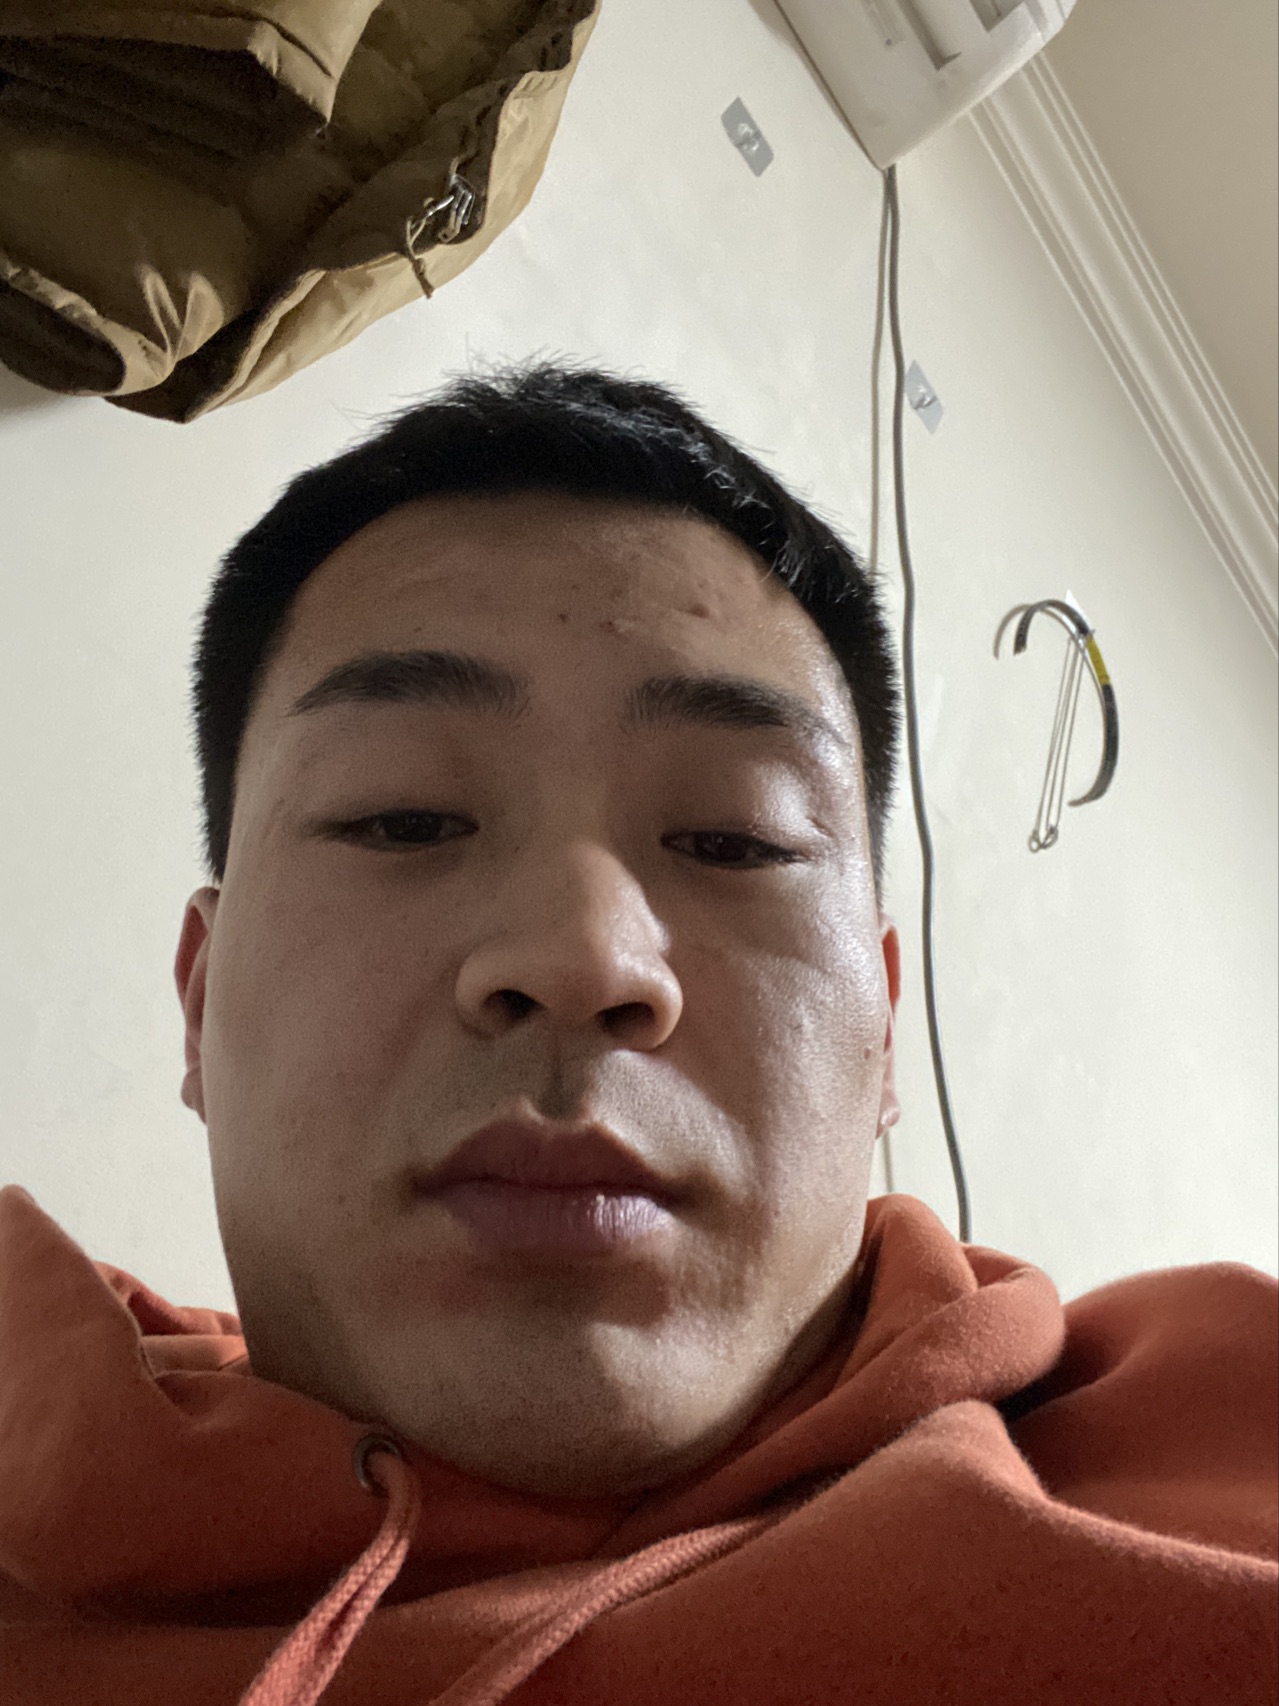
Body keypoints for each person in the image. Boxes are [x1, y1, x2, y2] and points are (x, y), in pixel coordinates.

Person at [1, 364, 1274, 1706]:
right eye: (402, 819)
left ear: (886, 1036)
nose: (582, 960)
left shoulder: (1221, 1465)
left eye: (736, 840)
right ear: (201, 1000)